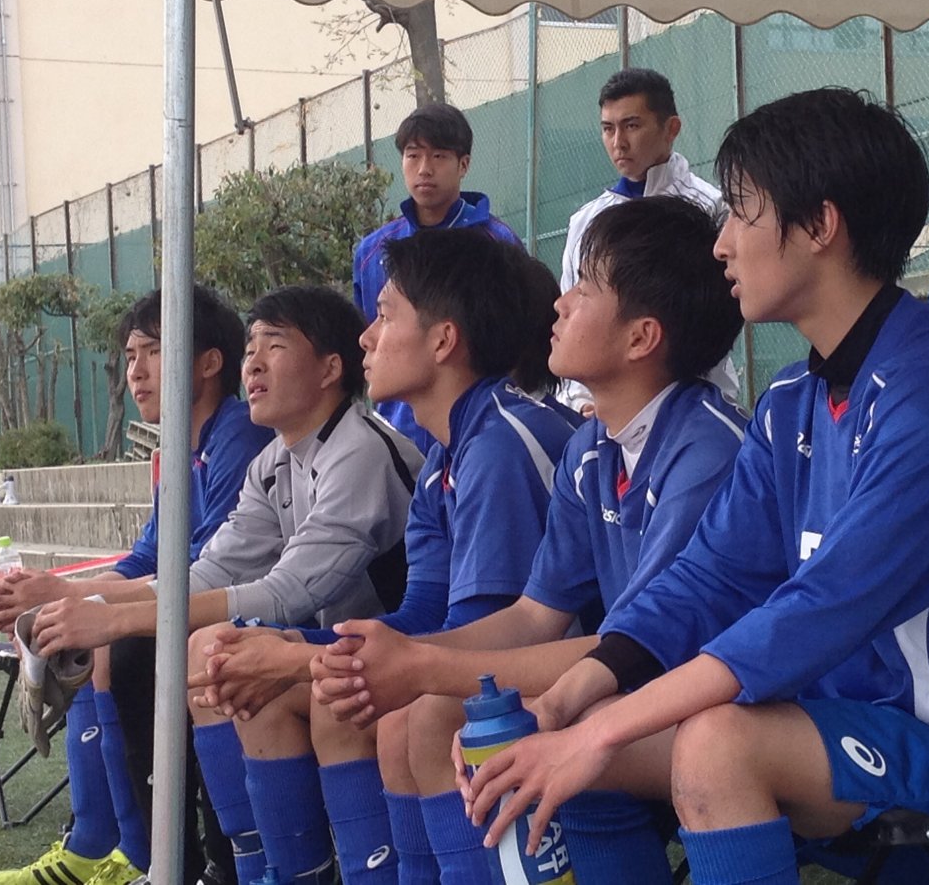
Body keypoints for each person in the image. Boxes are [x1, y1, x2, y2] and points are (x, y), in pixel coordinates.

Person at [460, 88, 929, 885]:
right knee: (566, 741)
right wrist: (568, 703)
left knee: (714, 744)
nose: (722, 243)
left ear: (820, 226)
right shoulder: (793, 398)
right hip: (850, 734)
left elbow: (827, 602)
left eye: (741, 213)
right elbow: (711, 577)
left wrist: (599, 731)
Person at [310, 195, 746, 885]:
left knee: (498, 728)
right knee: (437, 713)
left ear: (641, 338)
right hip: (623, 679)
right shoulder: (592, 448)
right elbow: (532, 615)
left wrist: (421, 667)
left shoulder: (705, 451)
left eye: (585, 287)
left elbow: (650, 646)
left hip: (713, 697)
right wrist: (391, 656)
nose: (560, 304)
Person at [186, 232, 578, 885]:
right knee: (290, 680)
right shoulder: (447, 455)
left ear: (443, 340)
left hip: (574, 678)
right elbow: (424, 613)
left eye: (386, 316)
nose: (366, 338)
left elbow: (484, 641)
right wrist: (296, 644)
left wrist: (298, 655)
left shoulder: (498, 446)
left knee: (410, 715)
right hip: (503, 661)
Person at [23, 285, 423, 884]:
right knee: (215, 656)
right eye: (250, 347)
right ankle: (241, 868)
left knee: (226, 659)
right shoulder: (274, 461)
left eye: (275, 346)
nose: (253, 364)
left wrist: (113, 616)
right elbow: (211, 570)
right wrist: (85, 603)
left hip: (398, 651)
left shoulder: (357, 450)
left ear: (330, 369)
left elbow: (289, 592)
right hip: (339, 647)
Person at [0, 286, 273, 885]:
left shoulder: (237, 435)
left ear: (209, 361)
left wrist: (69, 599)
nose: (135, 372)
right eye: (130, 356)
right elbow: (146, 559)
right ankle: (117, 848)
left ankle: (154, 857)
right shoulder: (182, 448)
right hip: (205, 602)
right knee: (94, 633)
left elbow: (211, 570)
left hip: (248, 613)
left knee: (118, 644)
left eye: (153, 352)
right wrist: (55, 593)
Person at [558, 67, 737, 412]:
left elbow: (716, 321)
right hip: (605, 412)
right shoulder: (585, 221)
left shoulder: (712, 208)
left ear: (671, 129)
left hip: (693, 404)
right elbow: (573, 316)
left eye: (632, 125)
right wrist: (581, 401)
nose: (618, 142)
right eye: (608, 129)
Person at [351, 103, 523, 453]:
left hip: (479, 429)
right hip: (398, 434)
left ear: (464, 164)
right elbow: (370, 339)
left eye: (439, 156)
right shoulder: (372, 252)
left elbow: (518, 343)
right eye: (413, 156)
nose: (424, 169)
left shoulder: (498, 243)